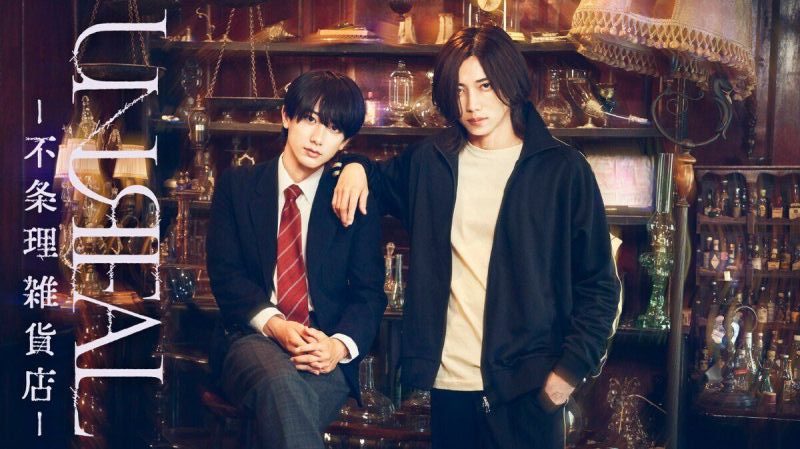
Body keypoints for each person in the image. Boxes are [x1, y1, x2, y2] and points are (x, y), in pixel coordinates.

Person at [332, 26, 621, 449]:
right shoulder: (432, 160)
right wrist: (356, 165)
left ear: (511, 82)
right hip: (449, 385)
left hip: (530, 389)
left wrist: (566, 375)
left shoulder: (563, 170)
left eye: (485, 86)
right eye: (460, 90)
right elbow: (376, 180)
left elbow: (599, 285)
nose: (472, 105)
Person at [206, 70, 387, 449]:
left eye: (333, 129)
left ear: (345, 142)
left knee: (286, 405)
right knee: (283, 387)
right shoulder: (237, 187)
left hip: (322, 344)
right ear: (286, 116)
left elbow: (369, 295)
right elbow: (226, 276)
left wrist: (337, 347)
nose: (318, 138)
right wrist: (276, 326)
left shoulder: (353, 198)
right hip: (253, 336)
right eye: (310, 119)